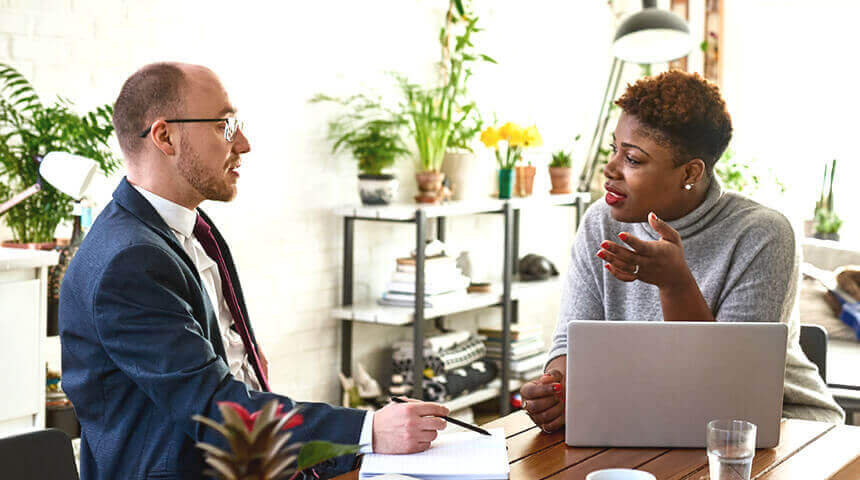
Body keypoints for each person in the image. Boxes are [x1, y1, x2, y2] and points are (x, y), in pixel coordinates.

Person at [59, 62, 448, 480]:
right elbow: (216, 410)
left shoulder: (191, 230)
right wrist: (368, 430)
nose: (242, 143)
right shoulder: (129, 262)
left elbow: (241, 376)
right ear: (165, 136)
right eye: (224, 125)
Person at [520, 70, 844, 432]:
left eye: (633, 159)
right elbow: (571, 340)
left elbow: (729, 391)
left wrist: (675, 284)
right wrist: (557, 391)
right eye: (614, 149)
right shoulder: (601, 223)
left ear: (690, 172)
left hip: (779, 427)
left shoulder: (762, 234)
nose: (609, 169)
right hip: (643, 420)